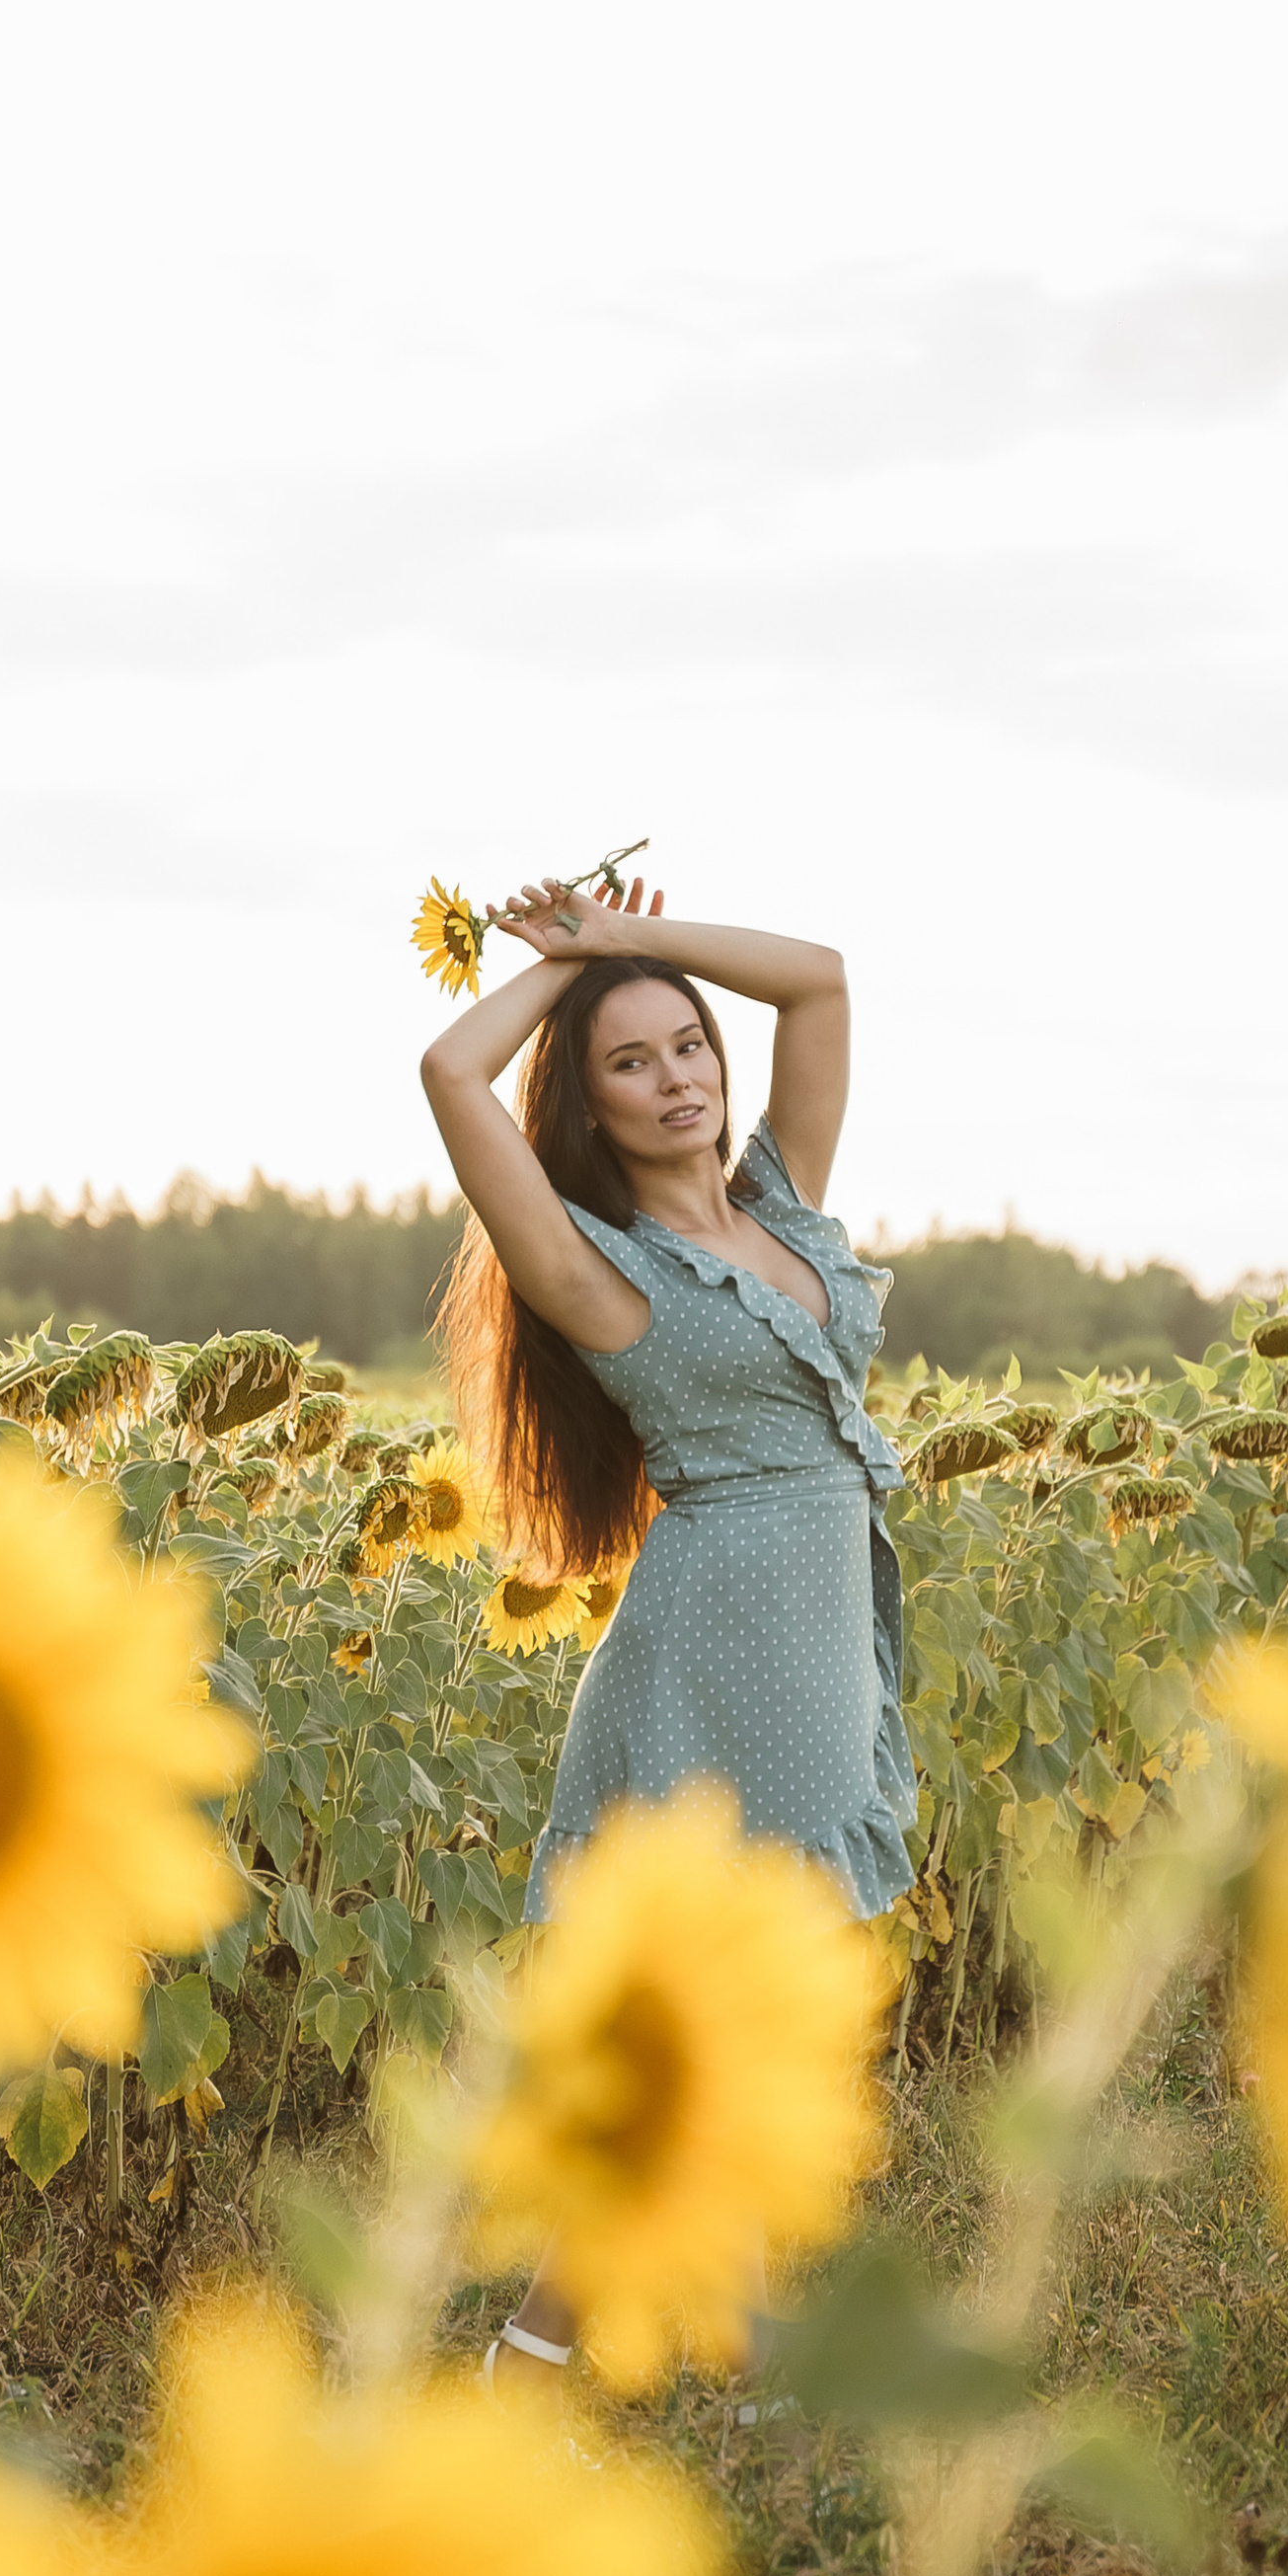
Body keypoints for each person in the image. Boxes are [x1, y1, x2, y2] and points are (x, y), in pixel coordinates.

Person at [420, 873, 916, 2379]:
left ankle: (636, 2371)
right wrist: (565, 968)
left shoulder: (781, 1203)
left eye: (689, 1044)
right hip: (717, 1652)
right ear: (592, 1103)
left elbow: (819, 978)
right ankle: (583, 2365)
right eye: (630, 1064)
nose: (677, 1079)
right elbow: (451, 1072)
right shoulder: (593, 1265)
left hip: (818, 1631)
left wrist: (631, 941)